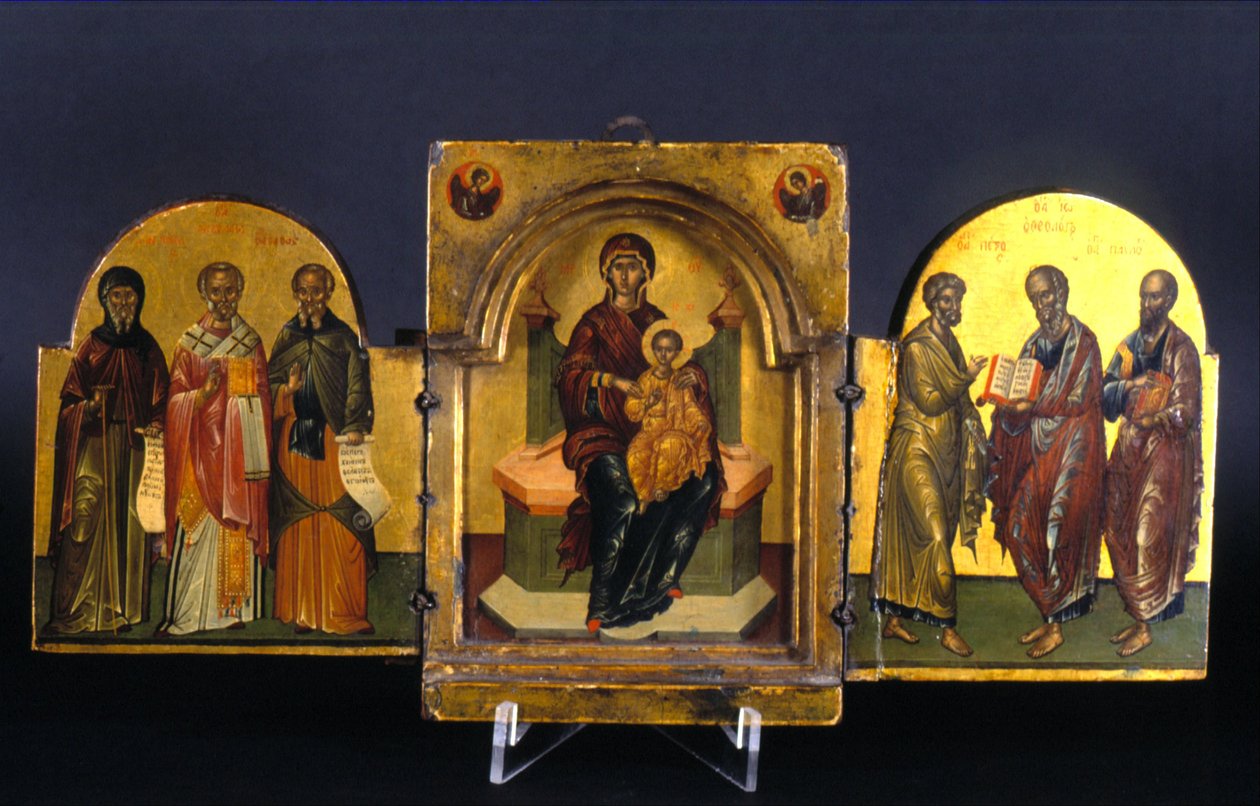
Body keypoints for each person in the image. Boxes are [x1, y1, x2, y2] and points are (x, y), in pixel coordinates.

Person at [554, 233, 725, 632]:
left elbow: (679, 361)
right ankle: (602, 601)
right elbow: (570, 378)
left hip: (656, 429)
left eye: (633, 267)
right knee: (623, 499)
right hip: (600, 431)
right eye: (618, 267)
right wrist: (610, 381)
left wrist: (693, 377)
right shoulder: (593, 324)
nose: (625, 275)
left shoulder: (654, 321)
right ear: (606, 273)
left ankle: (659, 580)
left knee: (702, 480)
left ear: (645, 274)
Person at [986, 264, 1107, 659]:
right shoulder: (1033, 346)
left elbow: (1078, 398)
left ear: (1062, 292)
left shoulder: (1084, 342)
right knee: (1019, 529)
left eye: (1047, 295)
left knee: (1057, 533)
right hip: (1038, 453)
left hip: (1074, 453)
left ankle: (1056, 627)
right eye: (1035, 299)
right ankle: (1048, 612)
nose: (1042, 306)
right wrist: (1005, 407)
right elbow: (1020, 404)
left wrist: (1031, 404)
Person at [45, 266, 169, 634]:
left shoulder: (147, 349)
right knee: (85, 514)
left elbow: (162, 399)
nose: (124, 303)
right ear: (105, 300)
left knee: (128, 523)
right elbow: (68, 406)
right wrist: (89, 408)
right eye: (117, 295)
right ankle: (72, 611)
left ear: (139, 300)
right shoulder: (91, 346)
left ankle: (120, 610)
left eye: (130, 295)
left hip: (134, 449)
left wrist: (157, 423)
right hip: (94, 443)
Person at [871, 272, 988, 657]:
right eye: (947, 300)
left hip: (946, 452)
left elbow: (959, 401)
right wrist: (966, 378)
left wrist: (976, 412)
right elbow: (931, 400)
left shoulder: (951, 343)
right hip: (916, 449)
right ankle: (947, 628)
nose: (954, 307)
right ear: (933, 302)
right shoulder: (917, 347)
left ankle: (893, 620)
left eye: (957, 300)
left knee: (924, 537)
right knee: (934, 535)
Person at [156, 262, 271, 636]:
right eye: (216, 292)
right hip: (198, 454)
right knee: (196, 526)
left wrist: (245, 410)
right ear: (204, 294)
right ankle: (188, 615)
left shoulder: (250, 343)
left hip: (237, 457)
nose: (224, 299)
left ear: (240, 292)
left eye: (230, 291)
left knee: (234, 530)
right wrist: (201, 396)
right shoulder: (189, 344)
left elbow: (264, 398)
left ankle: (232, 612)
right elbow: (174, 401)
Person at [268, 264, 376, 635]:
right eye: (303, 291)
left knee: (340, 521)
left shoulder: (343, 337)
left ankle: (344, 612)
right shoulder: (287, 336)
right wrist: (287, 391)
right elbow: (267, 386)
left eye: (316, 292)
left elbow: (358, 385)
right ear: (295, 293)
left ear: (328, 294)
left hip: (334, 442)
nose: (309, 299)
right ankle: (303, 611)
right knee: (301, 522)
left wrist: (355, 424)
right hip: (294, 440)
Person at [1102, 270, 1203, 657]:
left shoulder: (1181, 348)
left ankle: (1146, 627)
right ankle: (1138, 616)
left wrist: (1153, 418)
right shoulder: (1129, 345)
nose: (1147, 304)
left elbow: (1186, 410)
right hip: (1128, 450)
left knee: (1146, 536)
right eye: (1144, 296)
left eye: (1155, 297)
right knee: (1117, 530)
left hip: (1163, 455)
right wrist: (1130, 386)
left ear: (1170, 300)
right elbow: (1105, 395)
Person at [625, 328, 714, 516]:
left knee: (670, 446)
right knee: (635, 454)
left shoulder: (679, 381)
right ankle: (644, 497)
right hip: (650, 432)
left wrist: (700, 421)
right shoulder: (646, 379)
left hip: (675, 430)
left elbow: (689, 407)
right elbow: (631, 408)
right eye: (659, 349)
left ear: (677, 352)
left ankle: (661, 486)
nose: (663, 354)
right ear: (653, 350)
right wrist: (648, 403)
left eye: (669, 350)